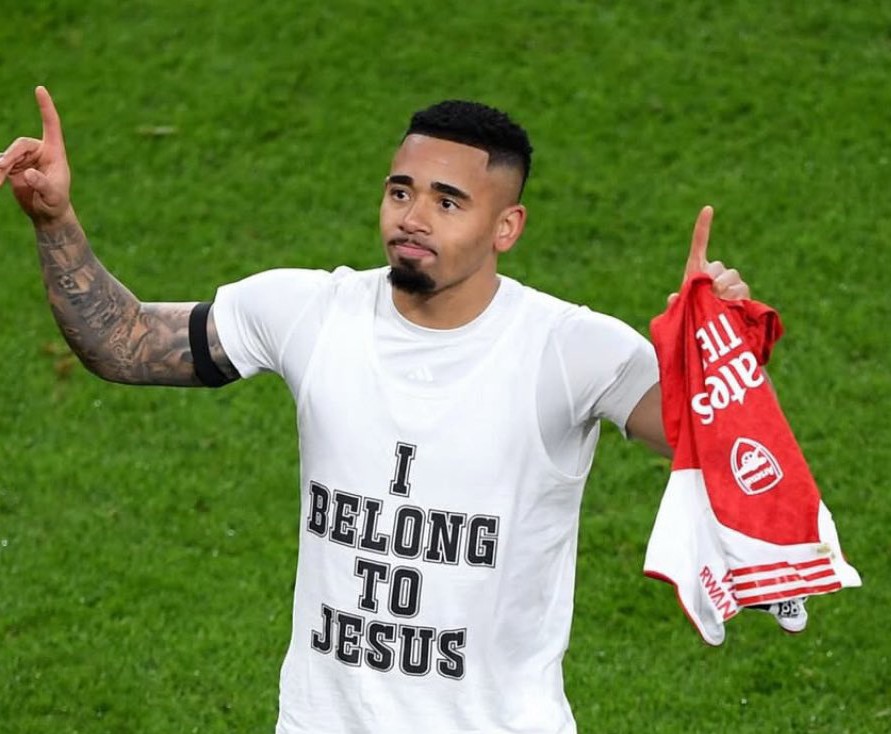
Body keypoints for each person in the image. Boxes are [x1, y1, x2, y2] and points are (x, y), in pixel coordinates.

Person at [1, 87, 751, 733]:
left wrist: (717, 345)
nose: (413, 217)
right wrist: (55, 219)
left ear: (507, 228)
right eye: (401, 191)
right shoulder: (308, 311)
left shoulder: (572, 349)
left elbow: (708, 438)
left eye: (447, 201)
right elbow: (125, 343)